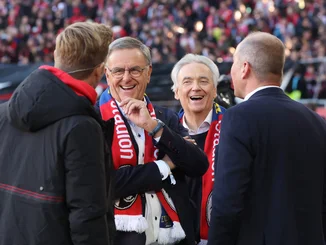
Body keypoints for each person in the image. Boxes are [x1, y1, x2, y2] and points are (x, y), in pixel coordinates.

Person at [0, 22, 115, 245]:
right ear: (101, 70)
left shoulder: (3, 113)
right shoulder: (82, 128)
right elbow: (87, 215)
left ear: (55, 55)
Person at [208, 31, 326, 245]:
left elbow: (227, 203)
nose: (231, 71)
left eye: (234, 62)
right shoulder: (317, 121)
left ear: (245, 68)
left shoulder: (239, 117)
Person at [98, 37, 209, 245]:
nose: (126, 78)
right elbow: (104, 183)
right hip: (119, 239)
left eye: (135, 70)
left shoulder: (164, 118)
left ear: (148, 73)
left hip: (176, 238)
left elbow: (197, 164)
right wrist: (164, 166)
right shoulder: (95, 119)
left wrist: (154, 127)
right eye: (118, 71)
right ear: (107, 74)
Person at [170, 53, 226, 245]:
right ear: (176, 91)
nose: (196, 87)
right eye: (187, 82)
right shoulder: (165, 134)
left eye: (204, 81)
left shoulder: (234, 127)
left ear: (215, 89)